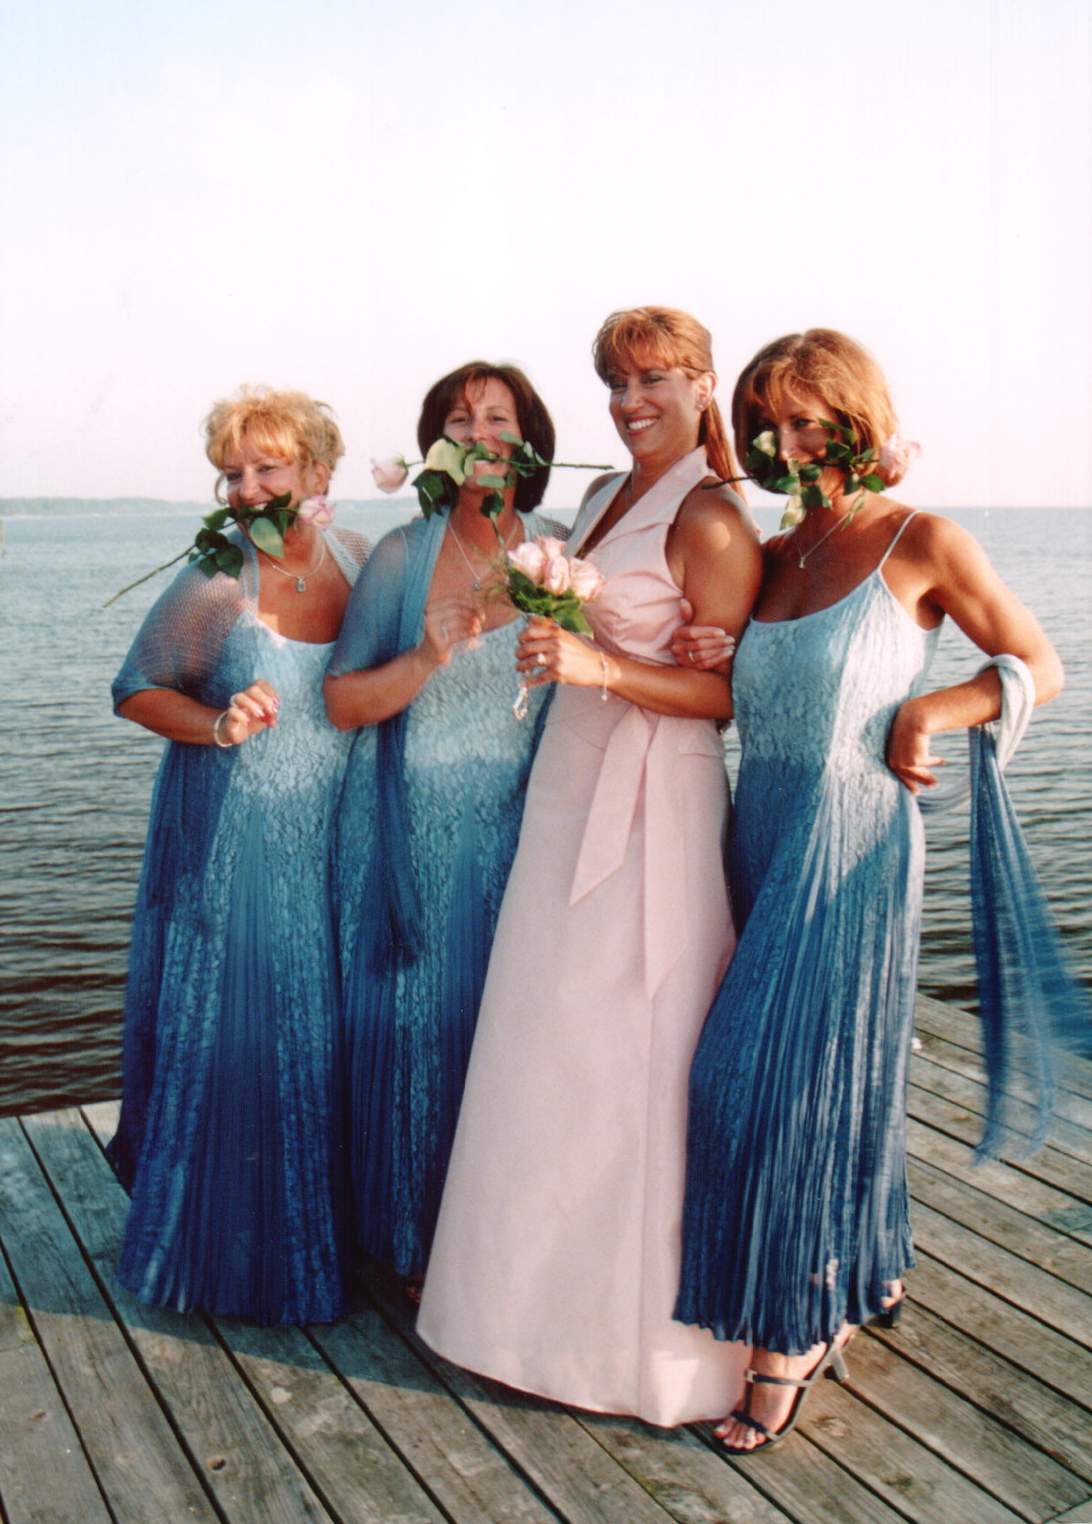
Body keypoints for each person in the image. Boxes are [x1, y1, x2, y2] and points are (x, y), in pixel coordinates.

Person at [673, 328, 1065, 1451]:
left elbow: (1039, 665)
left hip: (853, 848)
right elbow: (744, 695)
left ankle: (790, 1338)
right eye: (768, 426)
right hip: (759, 834)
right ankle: (863, 1268)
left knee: (759, 1087)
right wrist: (705, 652)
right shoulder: (772, 553)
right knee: (829, 1076)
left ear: (856, 421)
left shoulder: (920, 538)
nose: (788, 444)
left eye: (807, 421)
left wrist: (933, 708)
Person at [417, 307, 764, 1426]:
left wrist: (600, 666)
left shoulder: (713, 517)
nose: (630, 402)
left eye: (655, 379)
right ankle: (510, 1318)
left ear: (703, 384)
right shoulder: (607, 494)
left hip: (653, 804)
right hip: (568, 784)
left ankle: (636, 1355)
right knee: (547, 1041)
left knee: (631, 1053)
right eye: (618, 381)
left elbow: (725, 695)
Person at [107, 387, 369, 1325]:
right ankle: (224, 1252)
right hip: (235, 837)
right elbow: (136, 687)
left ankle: (316, 1232)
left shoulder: (358, 557)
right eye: (233, 472)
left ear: (319, 472)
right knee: (242, 1030)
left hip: (331, 835)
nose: (247, 488)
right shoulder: (217, 581)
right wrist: (219, 722)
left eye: (269, 468)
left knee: (314, 1037)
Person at [325, 362, 564, 1285]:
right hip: (411, 837)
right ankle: (414, 1244)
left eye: (499, 418)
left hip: (522, 833)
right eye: (460, 420)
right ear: (436, 445)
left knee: (510, 1035)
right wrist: (427, 654)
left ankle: (497, 1241)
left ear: (529, 441)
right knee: (418, 1033)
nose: (479, 434)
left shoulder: (562, 554)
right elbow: (343, 703)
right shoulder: (402, 556)